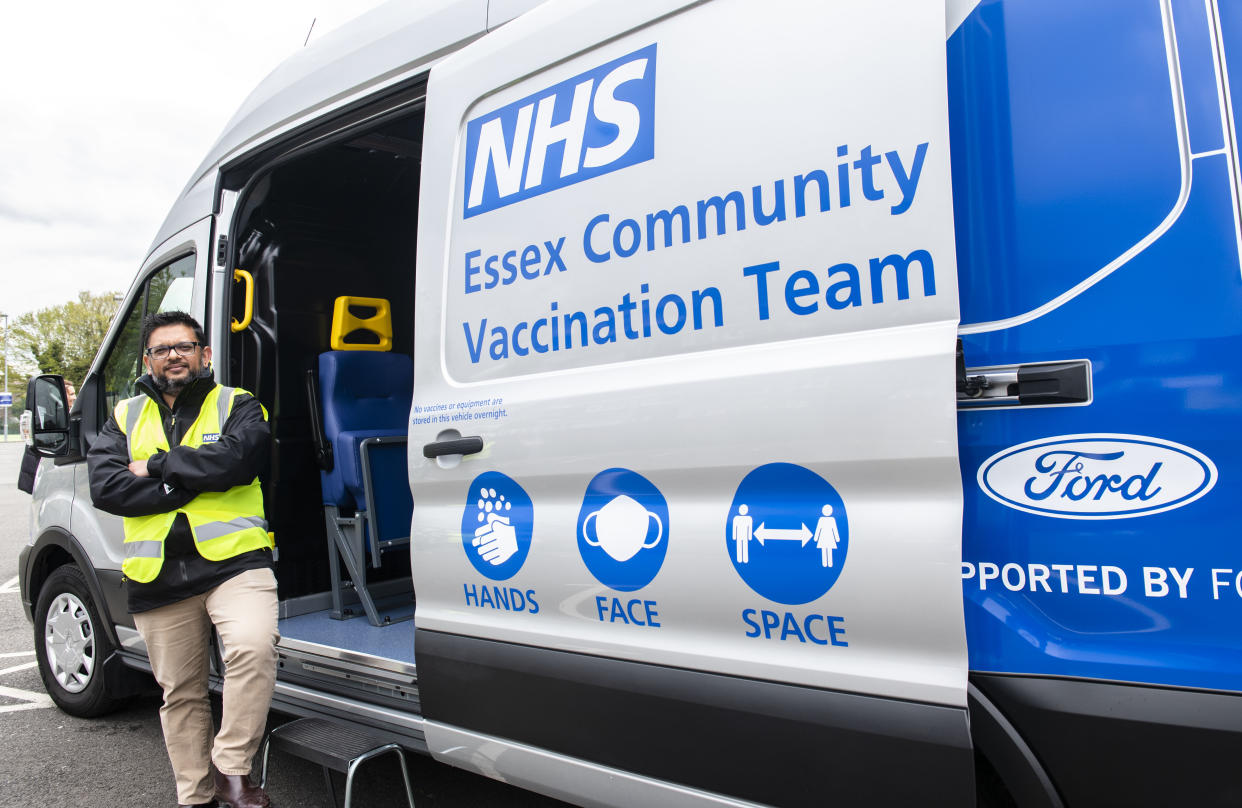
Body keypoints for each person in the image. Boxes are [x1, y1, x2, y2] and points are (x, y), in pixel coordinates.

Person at [87, 311, 277, 808]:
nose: (174, 355)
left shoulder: (238, 403)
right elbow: (107, 487)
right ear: (147, 360)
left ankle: (232, 769)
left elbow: (240, 461)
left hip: (235, 563)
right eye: (162, 349)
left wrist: (154, 468)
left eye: (185, 346)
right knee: (181, 694)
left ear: (204, 354)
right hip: (158, 576)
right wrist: (188, 484)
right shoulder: (124, 416)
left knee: (253, 648)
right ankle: (194, 798)